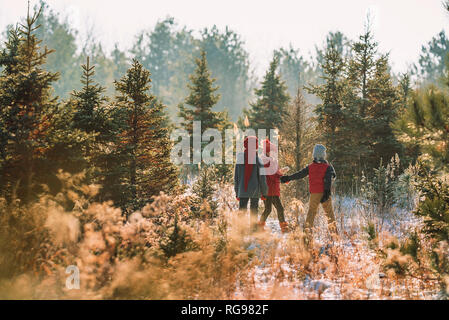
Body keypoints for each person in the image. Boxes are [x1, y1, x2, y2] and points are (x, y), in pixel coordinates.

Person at [280, 144, 337, 237]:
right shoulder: (328, 167)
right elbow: (331, 177)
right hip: (325, 193)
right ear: (323, 155)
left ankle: (306, 235)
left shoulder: (310, 167)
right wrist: (327, 192)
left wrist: (288, 178)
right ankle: (334, 235)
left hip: (315, 193)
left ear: (314, 155)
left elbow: (299, 174)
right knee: (329, 214)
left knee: (311, 214)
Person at [234, 136, 268, 232]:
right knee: (254, 210)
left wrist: (237, 191)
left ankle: (241, 230)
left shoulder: (240, 158)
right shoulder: (258, 160)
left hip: (242, 189)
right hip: (255, 190)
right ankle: (253, 230)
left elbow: (236, 177)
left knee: (242, 210)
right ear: (256, 146)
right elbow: (262, 178)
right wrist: (264, 192)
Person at [258, 139, 288, 233]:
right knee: (275, 208)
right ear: (267, 151)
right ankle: (284, 228)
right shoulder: (265, 161)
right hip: (268, 189)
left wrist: (282, 175)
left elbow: (276, 173)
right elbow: (271, 175)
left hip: (273, 189)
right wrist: (281, 174)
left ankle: (260, 226)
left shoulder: (272, 160)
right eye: (272, 151)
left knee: (268, 209)